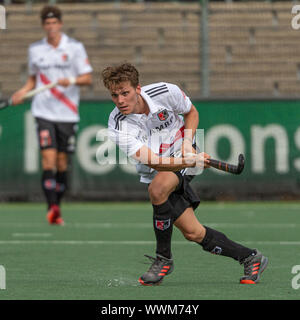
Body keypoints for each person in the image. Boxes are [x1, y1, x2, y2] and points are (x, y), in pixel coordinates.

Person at [102, 62, 268, 286]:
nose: (121, 100)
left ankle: (164, 259)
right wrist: (187, 160)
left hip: (181, 151)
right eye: (114, 95)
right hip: (160, 166)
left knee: (157, 190)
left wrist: (188, 146)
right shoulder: (118, 124)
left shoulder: (165, 92)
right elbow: (155, 162)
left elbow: (191, 113)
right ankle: (250, 258)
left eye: (125, 93)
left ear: (138, 88)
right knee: (193, 232)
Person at [11, 6, 93, 225]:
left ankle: (57, 203)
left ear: (60, 24)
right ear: (43, 26)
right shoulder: (35, 49)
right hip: (43, 111)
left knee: (61, 163)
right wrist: (22, 92)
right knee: (48, 161)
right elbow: (32, 80)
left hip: (67, 113)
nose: (51, 27)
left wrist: (72, 80)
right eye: (47, 24)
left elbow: (87, 78)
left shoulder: (74, 48)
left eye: (54, 23)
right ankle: (52, 208)